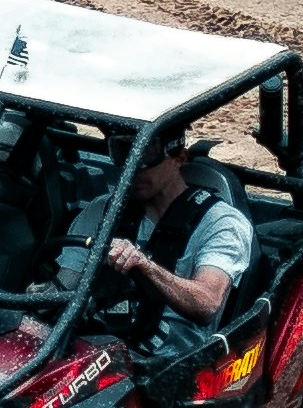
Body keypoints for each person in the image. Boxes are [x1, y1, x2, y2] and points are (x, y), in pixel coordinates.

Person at [102, 135, 252, 338]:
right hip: (96, 343)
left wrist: (144, 265)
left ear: (179, 158)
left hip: (174, 361)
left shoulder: (222, 223)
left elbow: (207, 304)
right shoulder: (105, 211)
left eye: (146, 157)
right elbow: (65, 283)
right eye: (124, 156)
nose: (134, 170)